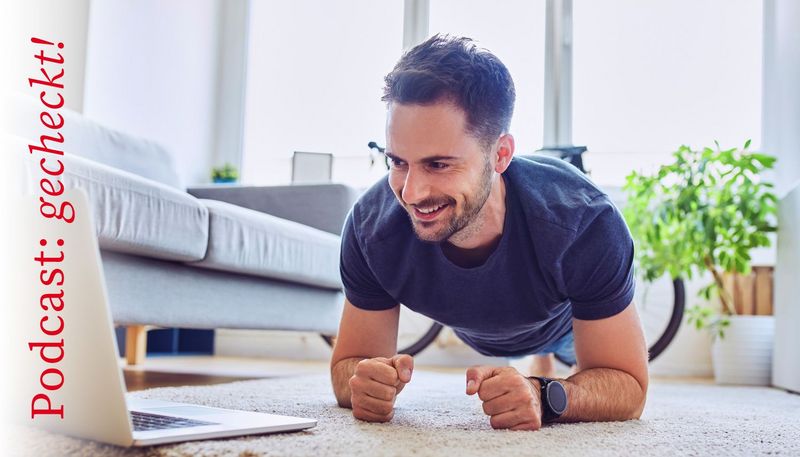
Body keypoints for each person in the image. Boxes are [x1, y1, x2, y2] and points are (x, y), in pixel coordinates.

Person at [330, 34, 648, 431]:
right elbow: (349, 365)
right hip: (475, 330)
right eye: (397, 161)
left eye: (439, 165)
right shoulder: (370, 229)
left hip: (561, 323)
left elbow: (628, 387)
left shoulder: (584, 224)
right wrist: (362, 382)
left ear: (500, 155)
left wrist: (541, 392)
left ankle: (544, 360)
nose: (410, 193)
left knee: (564, 356)